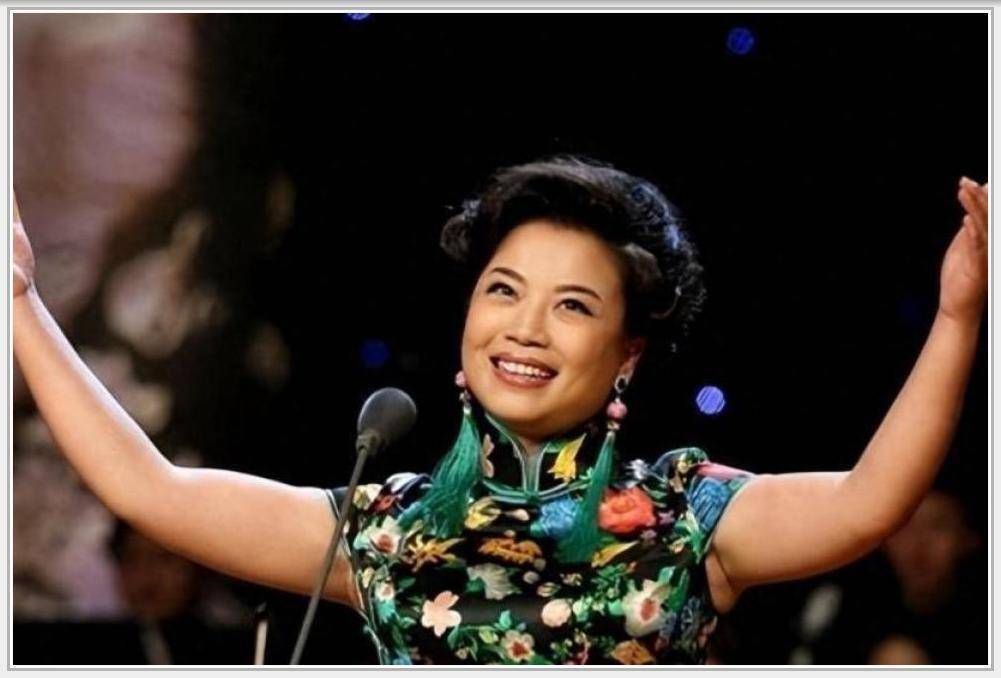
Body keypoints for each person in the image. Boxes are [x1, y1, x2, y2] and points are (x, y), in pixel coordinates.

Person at [11, 157, 988, 665]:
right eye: (503, 290)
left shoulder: (682, 518)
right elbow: (149, 489)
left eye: (572, 306)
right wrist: (19, 302)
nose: (524, 328)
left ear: (627, 354)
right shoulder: (383, 529)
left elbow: (869, 501)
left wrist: (954, 317)